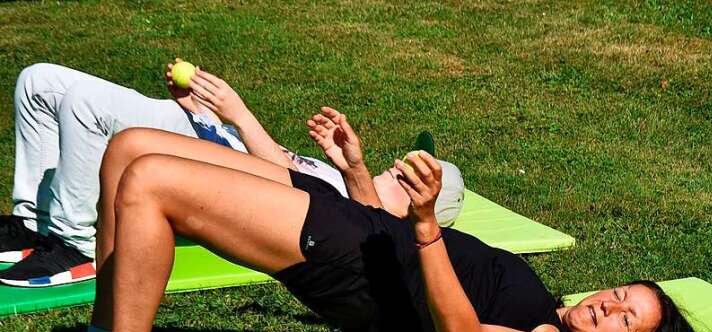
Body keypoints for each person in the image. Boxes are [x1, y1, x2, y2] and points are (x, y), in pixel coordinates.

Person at [2, 119, 699, 332]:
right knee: (130, 148)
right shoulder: (544, 296)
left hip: (352, 269)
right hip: (358, 227)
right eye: (621, 293)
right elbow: (394, 233)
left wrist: (426, 226)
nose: (608, 303)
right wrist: (358, 170)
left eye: (623, 318)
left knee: (152, 184)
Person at [0, 62, 464, 286]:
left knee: (83, 106)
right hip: (205, 136)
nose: (396, 167)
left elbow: (273, 178)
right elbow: (267, 157)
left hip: (197, 161)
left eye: (409, 179)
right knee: (39, 81)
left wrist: (237, 112)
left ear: (416, 211)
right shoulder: (343, 177)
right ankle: (31, 223)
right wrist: (203, 114)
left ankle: (75, 243)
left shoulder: (353, 222)